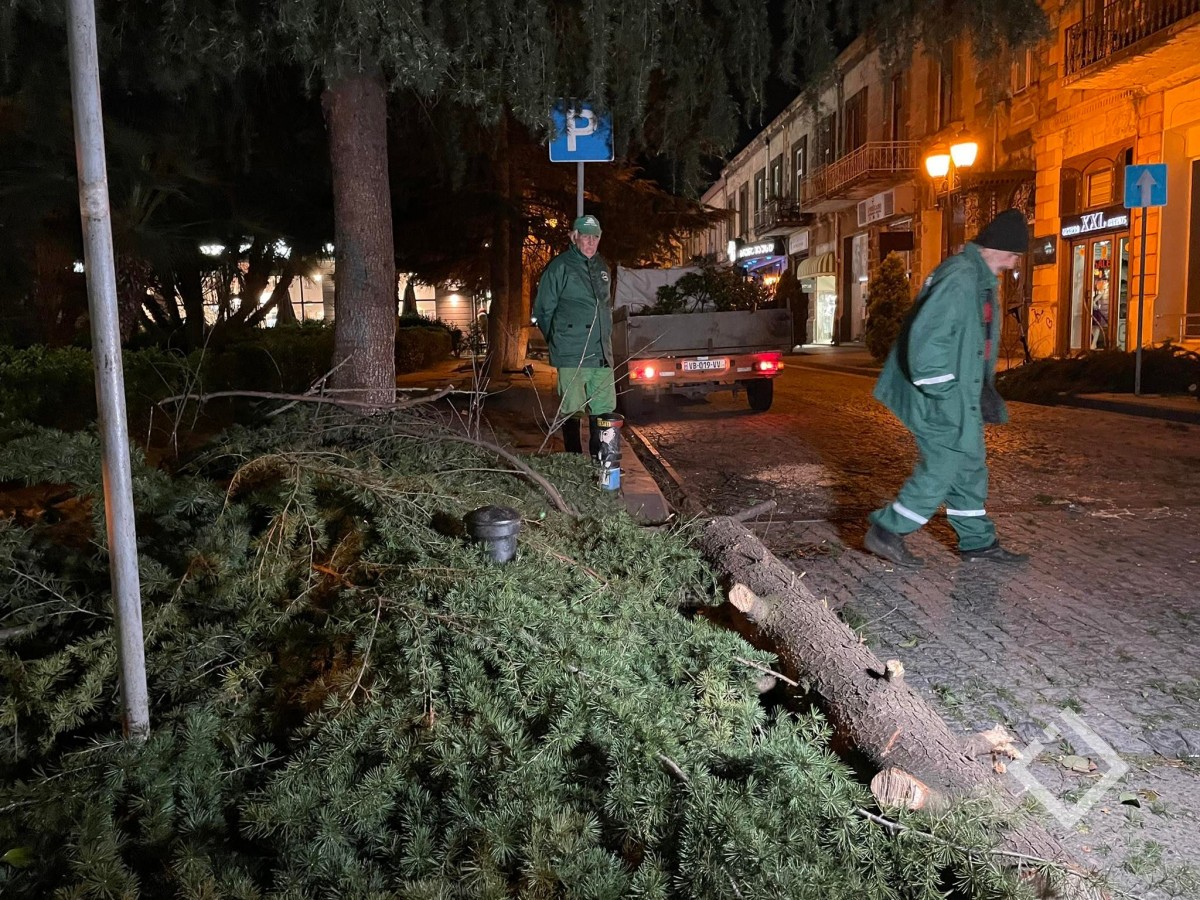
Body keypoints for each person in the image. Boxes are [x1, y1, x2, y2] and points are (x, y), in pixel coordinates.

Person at [864, 208, 1030, 568]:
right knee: (943, 466)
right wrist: (945, 395)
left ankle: (978, 543)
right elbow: (927, 343)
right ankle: (888, 530)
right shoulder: (961, 278)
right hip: (941, 396)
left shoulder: (976, 278)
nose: (1014, 262)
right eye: (1013, 253)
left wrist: (978, 392)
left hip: (959, 395)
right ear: (995, 247)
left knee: (969, 466)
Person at [532, 214, 617, 455]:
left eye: (595, 237)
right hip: (571, 353)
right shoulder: (559, 267)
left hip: (601, 353)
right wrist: (558, 340)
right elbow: (543, 310)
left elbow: (605, 307)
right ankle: (574, 461)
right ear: (574, 237)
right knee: (572, 408)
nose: (590, 242)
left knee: (604, 407)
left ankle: (602, 462)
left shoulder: (603, 267)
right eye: (585, 237)